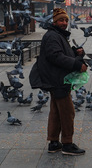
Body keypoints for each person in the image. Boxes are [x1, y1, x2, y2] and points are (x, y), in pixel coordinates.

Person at [36, 8, 87, 156]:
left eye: (66, 20)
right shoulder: (53, 36)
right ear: (54, 21)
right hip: (58, 79)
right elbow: (55, 56)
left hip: (55, 78)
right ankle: (67, 144)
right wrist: (77, 64)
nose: (64, 23)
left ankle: (53, 142)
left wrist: (76, 52)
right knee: (67, 112)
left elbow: (61, 53)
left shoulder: (57, 35)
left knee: (56, 112)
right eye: (61, 20)